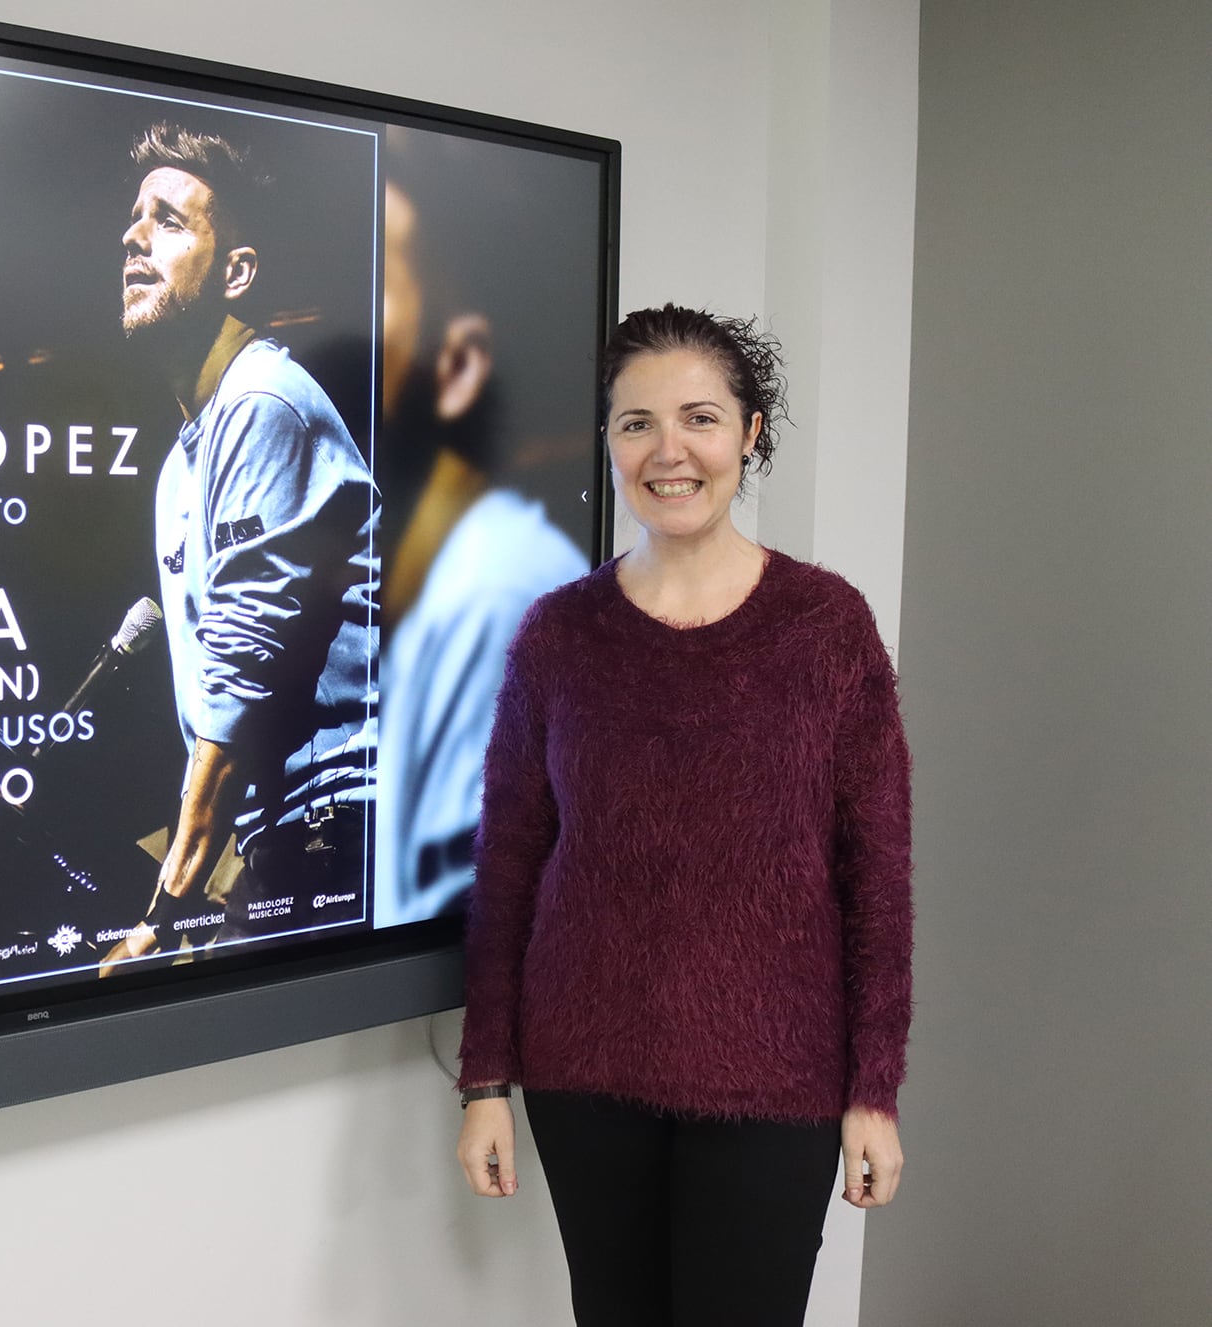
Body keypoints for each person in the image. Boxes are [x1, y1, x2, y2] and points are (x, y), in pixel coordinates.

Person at [454, 305, 912, 1326]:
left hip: (776, 1080)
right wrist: (485, 1075)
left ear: (749, 433)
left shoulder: (824, 628)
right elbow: (511, 863)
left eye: (699, 418)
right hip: (584, 1072)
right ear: (609, 441)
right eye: (635, 424)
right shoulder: (559, 634)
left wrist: (873, 1088)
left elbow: (875, 875)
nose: (669, 452)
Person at [104, 122, 378, 966]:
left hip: (341, 816)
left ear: (238, 270)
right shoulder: (181, 462)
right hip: (281, 830)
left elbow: (238, 671)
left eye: (169, 221)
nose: (133, 238)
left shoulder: (266, 403)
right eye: (134, 218)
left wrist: (168, 905)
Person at [372, 143, 590, 927]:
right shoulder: (421, 575)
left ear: (459, 365)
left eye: (373, 282)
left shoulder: (500, 594)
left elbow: (461, 939)